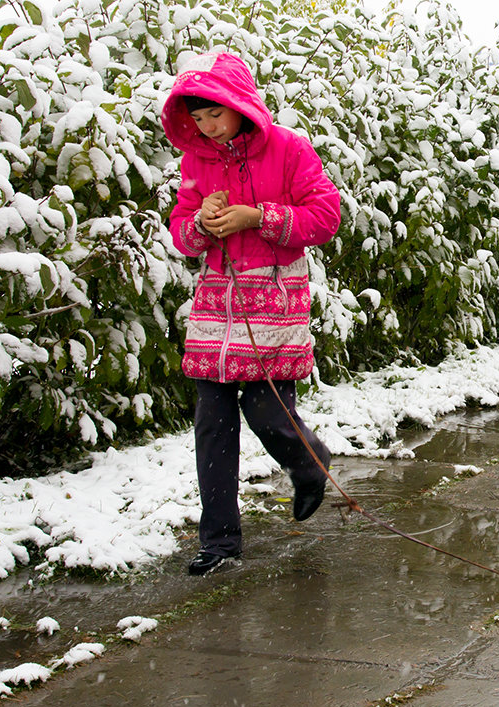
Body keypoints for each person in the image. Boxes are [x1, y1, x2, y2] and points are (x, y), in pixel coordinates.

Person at [161, 51, 341, 576]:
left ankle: (309, 465)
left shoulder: (288, 148)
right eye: (197, 120)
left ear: (239, 104)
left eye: (215, 114)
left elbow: (324, 215)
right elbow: (180, 232)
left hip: (274, 304)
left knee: (267, 412)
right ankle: (219, 541)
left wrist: (257, 216)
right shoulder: (197, 162)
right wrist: (202, 221)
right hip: (218, 305)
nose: (208, 128)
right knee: (211, 422)